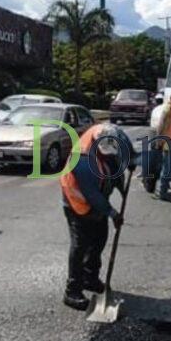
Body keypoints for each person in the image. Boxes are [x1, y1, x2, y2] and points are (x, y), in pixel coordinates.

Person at [60, 123, 134, 310]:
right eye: (104, 153)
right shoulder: (82, 160)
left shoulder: (113, 132)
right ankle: (72, 291)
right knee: (80, 244)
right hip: (78, 202)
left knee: (100, 238)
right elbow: (93, 196)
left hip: (98, 194)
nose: (108, 156)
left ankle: (90, 278)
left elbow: (120, 158)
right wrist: (112, 213)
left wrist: (130, 162)